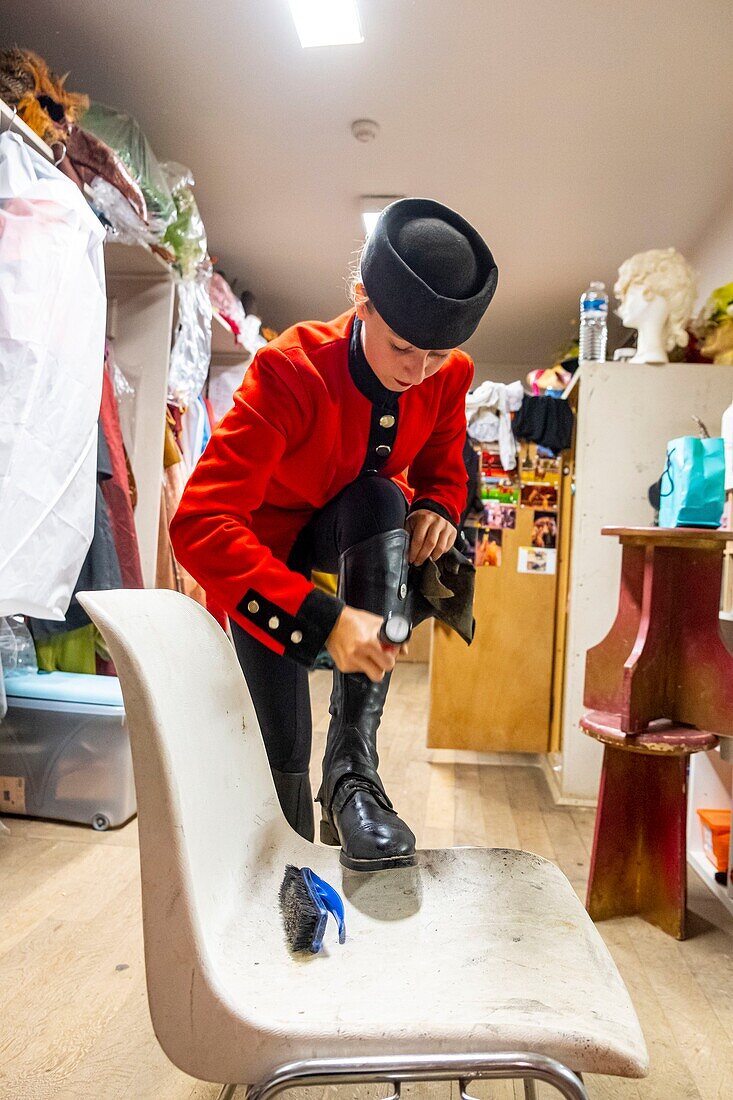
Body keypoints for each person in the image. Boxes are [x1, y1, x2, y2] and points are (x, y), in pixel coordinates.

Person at [170, 198, 498, 871]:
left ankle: (352, 773)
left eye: (435, 354)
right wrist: (321, 621)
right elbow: (198, 525)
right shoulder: (288, 371)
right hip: (260, 551)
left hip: (348, 526)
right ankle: (287, 875)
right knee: (280, 754)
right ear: (361, 302)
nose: (416, 370)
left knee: (382, 495)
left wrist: (439, 502)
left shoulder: (449, 377)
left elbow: (442, 459)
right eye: (402, 347)